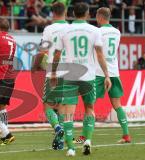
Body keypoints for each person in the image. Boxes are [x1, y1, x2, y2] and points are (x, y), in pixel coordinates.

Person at [53, 2, 111, 155]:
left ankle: (71, 148)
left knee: (68, 113)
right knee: (90, 109)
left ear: (72, 13)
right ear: (87, 14)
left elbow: (57, 54)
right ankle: (87, 140)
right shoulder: (95, 31)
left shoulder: (64, 30)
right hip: (89, 75)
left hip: (70, 75)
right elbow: (99, 55)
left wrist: (53, 72)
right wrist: (106, 75)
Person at [33, 2, 69, 152]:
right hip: (70, 71)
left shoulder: (49, 29)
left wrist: (35, 65)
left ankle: (57, 127)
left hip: (53, 71)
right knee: (61, 106)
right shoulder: (71, 28)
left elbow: (42, 52)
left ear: (52, 13)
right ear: (65, 12)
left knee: (47, 105)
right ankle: (59, 141)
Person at [94, 7, 131, 143]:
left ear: (100, 17)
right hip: (114, 72)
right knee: (117, 105)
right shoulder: (117, 32)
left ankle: (83, 139)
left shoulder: (97, 32)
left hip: (99, 72)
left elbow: (97, 52)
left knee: (89, 106)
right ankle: (126, 135)